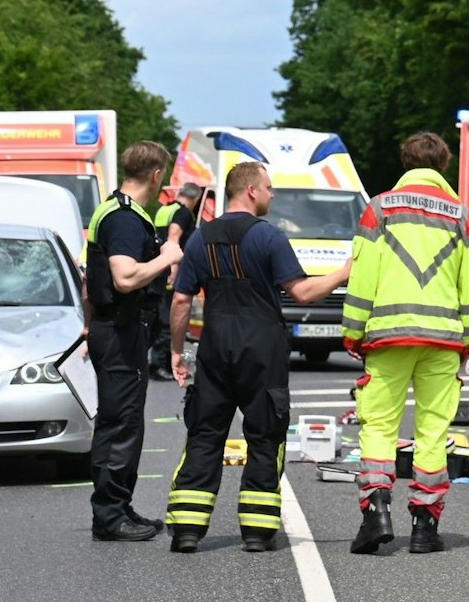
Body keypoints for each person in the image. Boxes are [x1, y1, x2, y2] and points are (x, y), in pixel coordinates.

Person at [165, 161, 349, 553]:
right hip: (262, 348)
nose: (272, 194)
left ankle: (187, 529)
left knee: (205, 433)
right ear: (250, 190)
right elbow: (301, 293)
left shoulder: (199, 239)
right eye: (268, 187)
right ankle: (258, 531)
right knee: (265, 435)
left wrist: (177, 351)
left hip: (215, 346)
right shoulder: (269, 238)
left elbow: (182, 299)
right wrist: (343, 273)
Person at [344, 132, 469, 556]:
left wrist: (353, 330)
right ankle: (425, 524)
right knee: (433, 431)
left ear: (405, 162)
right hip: (442, 340)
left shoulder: (379, 208)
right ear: (444, 165)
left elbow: (363, 273)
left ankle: (376, 510)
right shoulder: (462, 216)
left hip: (387, 335)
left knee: (380, 426)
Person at [85, 141, 184, 543]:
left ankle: (118, 507)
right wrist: (167, 256)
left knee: (122, 421)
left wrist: (89, 323)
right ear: (158, 174)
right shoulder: (126, 219)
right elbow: (124, 278)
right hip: (121, 332)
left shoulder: (112, 208)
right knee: (121, 424)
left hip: (114, 330)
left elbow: (91, 279)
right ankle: (110, 516)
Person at [148, 183, 204, 380]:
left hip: (157, 269)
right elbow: (173, 237)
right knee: (169, 319)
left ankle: (157, 361)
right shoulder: (183, 213)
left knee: (161, 317)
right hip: (171, 270)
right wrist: (173, 268)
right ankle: (161, 364)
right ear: (196, 199)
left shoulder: (164, 209)